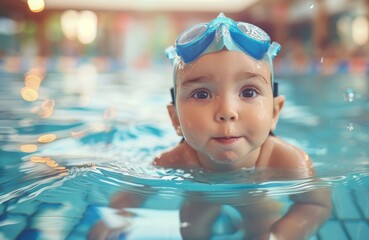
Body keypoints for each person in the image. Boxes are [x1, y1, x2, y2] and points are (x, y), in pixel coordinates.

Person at [90, 13, 331, 240]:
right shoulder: (177, 159)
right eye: (202, 94)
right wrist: (114, 218)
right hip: (201, 197)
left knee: (263, 227)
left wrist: (280, 235)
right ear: (176, 120)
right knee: (191, 228)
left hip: (256, 199)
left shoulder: (286, 161)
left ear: (274, 113)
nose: (227, 111)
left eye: (248, 91)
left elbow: (317, 204)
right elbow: (133, 193)